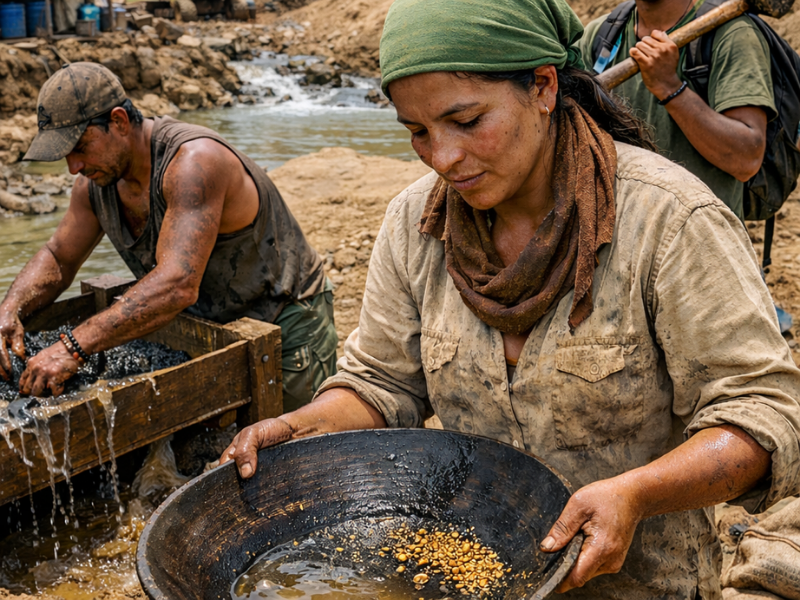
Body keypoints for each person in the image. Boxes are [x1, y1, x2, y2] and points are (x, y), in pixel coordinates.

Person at [220, 0, 800, 597]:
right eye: (417, 132)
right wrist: (303, 426)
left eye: (467, 122)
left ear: (543, 87)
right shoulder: (414, 224)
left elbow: (763, 414)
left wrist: (634, 494)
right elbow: (383, 383)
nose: (443, 158)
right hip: (474, 580)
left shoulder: (668, 219)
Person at [0, 62, 337, 411]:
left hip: (284, 316)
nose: (73, 167)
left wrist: (72, 347)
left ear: (118, 122)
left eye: (80, 147)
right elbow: (59, 257)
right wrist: (10, 310)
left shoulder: (194, 162)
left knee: (297, 445)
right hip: (208, 322)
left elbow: (177, 283)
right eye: (65, 156)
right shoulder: (94, 186)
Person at [579, 0, 774, 223]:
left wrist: (669, 87)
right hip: (622, 239)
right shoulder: (601, 35)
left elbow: (746, 160)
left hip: (701, 242)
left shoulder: (733, 35)